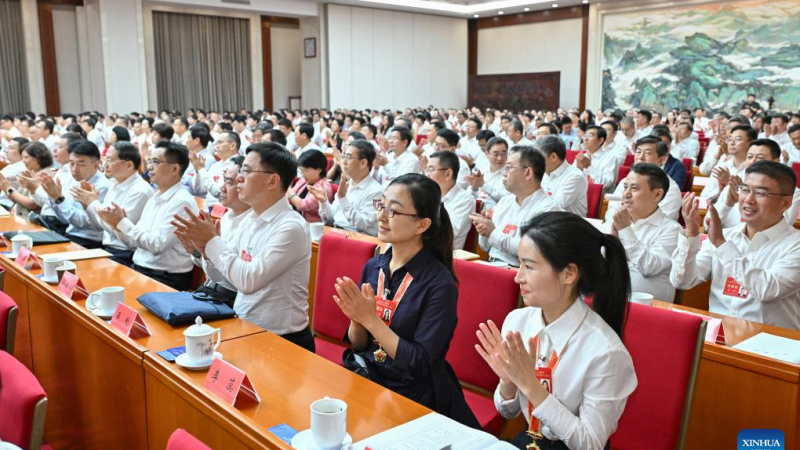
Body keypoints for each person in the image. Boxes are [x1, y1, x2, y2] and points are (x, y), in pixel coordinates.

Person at [475, 211, 636, 450]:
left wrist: (530, 385)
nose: (517, 277)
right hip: (532, 440)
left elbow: (590, 444)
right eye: (519, 264)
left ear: (569, 273)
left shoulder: (606, 352)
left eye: (529, 266)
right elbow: (507, 411)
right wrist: (508, 382)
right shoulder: (517, 321)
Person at [332, 173, 479, 427]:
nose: (380, 216)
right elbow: (359, 345)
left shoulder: (439, 284)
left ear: (422, 225)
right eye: (382, 206)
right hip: (369, 377)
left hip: (413, 394)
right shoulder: (374, 266)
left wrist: (370, 318)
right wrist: (357, 320)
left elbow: (418, 364)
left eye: (393, 211)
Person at [174, 142, 315, 351]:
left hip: (283, 340)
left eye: (247, 171)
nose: (240, 177)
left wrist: (213, 242)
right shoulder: (250, 219)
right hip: (245, 326)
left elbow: (249, 280)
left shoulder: (291, 226)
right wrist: (205, 251)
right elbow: (228, 280)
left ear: (272, 181)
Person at [671, 161, 800, 330]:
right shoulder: (727, 235)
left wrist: (721, 244)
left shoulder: (794, 244)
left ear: (785, 203)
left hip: (769, 346)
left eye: (760, 193)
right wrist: (691, 236)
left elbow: (767, 289)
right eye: (745, 190)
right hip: (716, 338)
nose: (748, 199)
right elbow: (682, 281)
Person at [96, 141, 199, 291]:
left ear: (174, 168)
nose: (149, 166)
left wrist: (122, 223)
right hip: (141, 269)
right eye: (149, 160)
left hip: (166, 278)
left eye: (156, 162)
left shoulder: (182, 202)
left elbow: (157, 245)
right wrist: (116, 224)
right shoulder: (155, 197)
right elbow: (132, 243)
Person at [471, 146, 561, 267]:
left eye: (508, 168)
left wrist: (493, 233)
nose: (504, 173)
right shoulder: (505, 202)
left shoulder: (548, 209)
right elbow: (486, 248)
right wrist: (484, 231)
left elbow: (531, 251)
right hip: (492, 265)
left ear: (528, 172)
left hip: (520, 274)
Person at [178, 158, 251, 306]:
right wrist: (199, 253)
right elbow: (215, 273)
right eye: (224, 181)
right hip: (210, 290)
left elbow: (233, 279)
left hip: (230, 298)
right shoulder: (226, 217)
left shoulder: (252, 224)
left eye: (229, 183)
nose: (222, 188)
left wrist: (209, 250)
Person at [73, 141, 154, 267]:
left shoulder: (140, 191)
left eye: (110, 160)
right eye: (105, 159)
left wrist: (94, 204)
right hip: (109, 250)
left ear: (128, 165)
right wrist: (87, 206)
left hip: (126, 254)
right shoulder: (114, 184)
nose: (105, 164)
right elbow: (100, 226)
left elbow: (127, 238)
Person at [610, 163, 682, 302]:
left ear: (657, 194)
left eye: (635, 188)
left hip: (647, 310)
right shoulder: (614, 222)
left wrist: (625, 230)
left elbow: (649, 267)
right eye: (625, 187)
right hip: (610, 301)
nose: (626, 194)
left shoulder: (671, 230)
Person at [38, 140, 111, 248]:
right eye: (71, 163)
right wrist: (54, 198)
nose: (74, 169)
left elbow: (82, 222)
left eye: (81, 164)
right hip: (70, 235)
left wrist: (59, 199)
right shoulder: (76, 180)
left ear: (96, 165)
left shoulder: (102, 186)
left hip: (89, 242)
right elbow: (64, 218)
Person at [712, 139, 800, 229]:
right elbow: (708, 224)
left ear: (776, 161)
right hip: (730, 237)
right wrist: (728, 204)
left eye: (760, 158)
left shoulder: (791, 191)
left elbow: (786, 224)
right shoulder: (736, 184)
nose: (753, 161)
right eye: (749, 157)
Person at [604, 136, 682, 221]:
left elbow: (662, 219)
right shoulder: (626, 180)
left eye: (647, 153)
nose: (640, 157)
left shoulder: (671, 189)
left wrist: (625, 222)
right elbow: (612, 209)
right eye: (638, 152)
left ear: (661, 160)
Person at [314, 139, 382, 236]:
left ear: (363, 163)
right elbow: (330, 220)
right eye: (344, 156)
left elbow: (363, 225)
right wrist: (323, 201)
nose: (344, 162)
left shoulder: (376, 191)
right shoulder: (346, 185)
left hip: (357, 240)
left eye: (349, 157)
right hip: (336, 233)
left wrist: (343, 198)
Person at [425, 151, 474, 250]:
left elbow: (448, 232)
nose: (427, 175)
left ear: (448, 174)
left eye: (431, 170)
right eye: (426, 170)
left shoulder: (465, 200)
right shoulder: (427, 194)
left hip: (443, 256)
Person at [0, 142, 53, 218]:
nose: (23, 161)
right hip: (18, 217)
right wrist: (5, 187)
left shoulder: (46, 175)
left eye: (26, 157)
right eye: (22, 158)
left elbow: (32, 205)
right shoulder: (29, 173)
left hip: (31, 222)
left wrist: (9, 189)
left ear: (38, 157)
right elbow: (17, 199)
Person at [538, 135, 588, 217]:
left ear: (553, 157)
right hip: (548, 221)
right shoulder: (545, 173)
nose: (535, 162)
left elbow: (554, 207)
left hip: (569, 225)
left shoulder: (575, 177)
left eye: (539, 158)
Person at [463, 137, 509, 209]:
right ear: (487, 154)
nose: (500, 158)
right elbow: (468, 196)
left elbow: (507, 199)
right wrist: (474, 187)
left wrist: (483, 185)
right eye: (496, 154)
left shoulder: (511, 174)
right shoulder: (482, 170)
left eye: (503, 154)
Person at [288, 149, 333, 223]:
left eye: (306, 170)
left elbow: (303, 206)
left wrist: (289, 190)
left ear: (319, 169)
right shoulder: (304, 181)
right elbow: (288, 196)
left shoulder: (323, 187)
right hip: (296, 220)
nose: (303, 174)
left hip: (313, 226)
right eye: (301, 171)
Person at [574, 125, 620, 194]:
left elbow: (606, 184)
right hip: (580, 195)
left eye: (590, 135)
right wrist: (579, 170)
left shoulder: (611, 158)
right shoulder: (582, 156)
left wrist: (589, 167)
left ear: (600, 140)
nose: (586, 139)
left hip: (601, 200)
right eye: (585, 135)